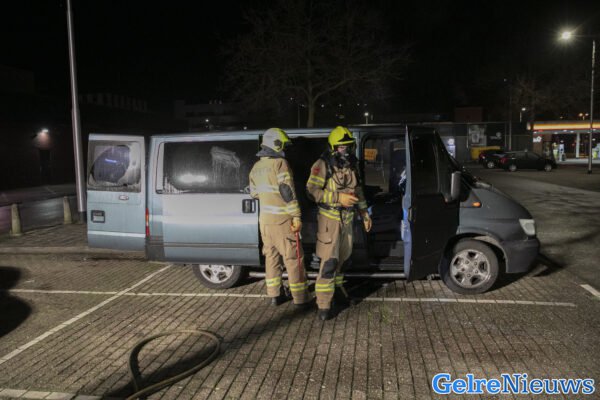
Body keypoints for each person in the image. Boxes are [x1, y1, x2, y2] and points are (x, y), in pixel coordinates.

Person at [306, 126, 372, 320]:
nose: (345, 150)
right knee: (329, 263)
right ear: (333, 147)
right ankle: (324, 305)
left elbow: (358, 191)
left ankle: (338, 293)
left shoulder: (352, 164)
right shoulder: (322, 165)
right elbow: (311, 192)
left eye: (348, 146)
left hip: (348, 221)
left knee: (343, 260)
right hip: (330, 222)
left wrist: (364, 213)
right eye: (341, 147)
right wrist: (337, 198)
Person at [249, 128, 310, 307]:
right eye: (282, 145)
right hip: (282, 221)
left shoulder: (256, 167)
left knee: (271, 258)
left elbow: (254, 193)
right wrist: (296, 216)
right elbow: (287, 191)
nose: (284, 148)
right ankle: (300, 298)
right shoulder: (280, 163)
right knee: (293, 259)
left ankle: (275, 295)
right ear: (276, 144)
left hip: (265, 222)